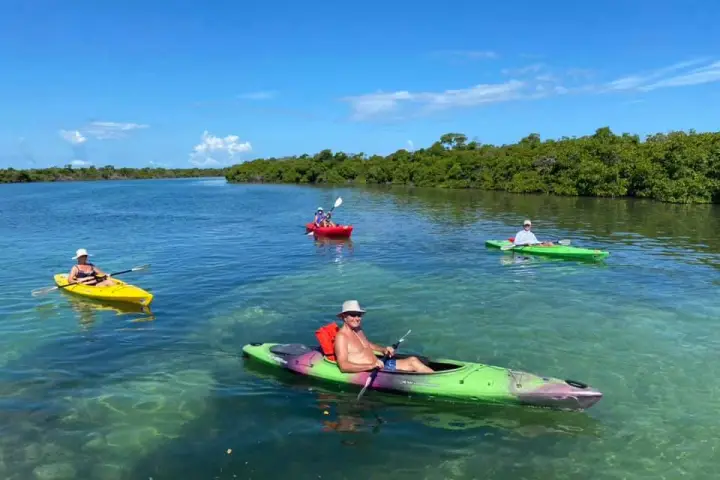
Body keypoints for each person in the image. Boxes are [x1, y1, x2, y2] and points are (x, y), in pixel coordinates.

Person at [333, 300, 434, 374]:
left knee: (413, 360)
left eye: (359, 315)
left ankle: (438, 379)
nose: (357, 318)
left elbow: (366, 345)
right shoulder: (342, 337)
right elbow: (343, 365)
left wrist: (383, 350)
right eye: (352, 315)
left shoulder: (358, 329)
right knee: (412, 363)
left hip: (380, 365)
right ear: (344, 317)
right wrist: (372, 365)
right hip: (370, 370)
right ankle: (438, 382)